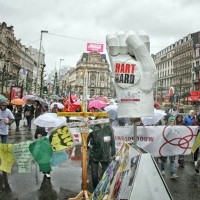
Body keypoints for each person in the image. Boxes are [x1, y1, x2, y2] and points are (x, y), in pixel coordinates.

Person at [87, 122, 116, 190]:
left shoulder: (108, 127)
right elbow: (86, 138)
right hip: (94, 154)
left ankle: (102, 190)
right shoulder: (92, 127)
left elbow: (112, 141)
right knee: (94, 176)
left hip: (105, 154)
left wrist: (113, 153)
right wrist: (85, 148)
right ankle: (95, 190)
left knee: (105, 174)